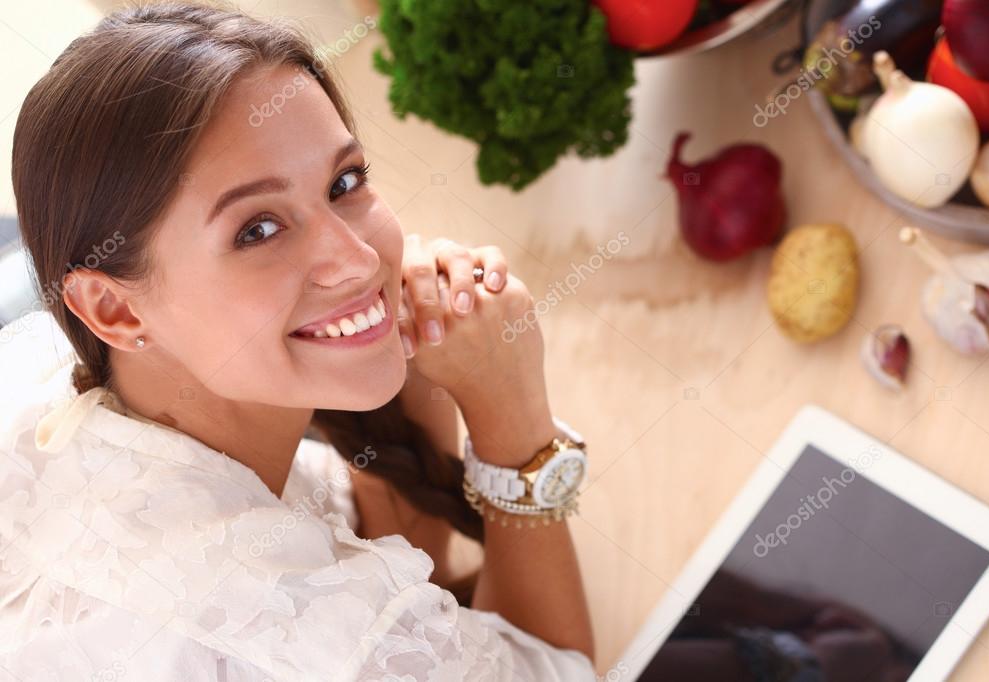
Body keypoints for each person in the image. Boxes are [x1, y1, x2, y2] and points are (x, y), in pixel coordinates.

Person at [0, 2, 595, 679]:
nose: (358, 260)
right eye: (257, 229)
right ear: (112, 308)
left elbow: (370, 561)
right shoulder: (291, 632)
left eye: (343, 183)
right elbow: (556, 671)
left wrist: (411, 371)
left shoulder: (43, 403)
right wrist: (511, 419)